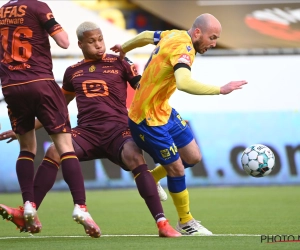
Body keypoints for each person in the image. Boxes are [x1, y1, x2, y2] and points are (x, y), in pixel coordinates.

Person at [0, 21, 180, 237]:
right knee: (53, 151)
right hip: (87, 133)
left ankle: (162, 223)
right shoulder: (72, 72)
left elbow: (144, 90)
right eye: (92, 41)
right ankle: (27, 212)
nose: (99, 45)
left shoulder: (120, 62)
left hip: (118, 131)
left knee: (134, 155)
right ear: (81, 44)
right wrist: (23, 129)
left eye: (100, 40)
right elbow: (57, 108)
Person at [110, 13, 248, 235]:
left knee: (192, 157)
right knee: (176, 169)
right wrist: (220, 90)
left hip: (163, 110)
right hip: (146, 118)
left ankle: (153, 178)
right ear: (197, 33)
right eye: (212, 37)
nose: (214, 43)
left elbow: (146, 35)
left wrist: (124, 48)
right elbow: (183, 82)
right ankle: (185, 221)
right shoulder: (184, 49)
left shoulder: (173, 34)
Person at [0, 0, 100, 237]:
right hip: (41, 83)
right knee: (65, 148)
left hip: (11, 87)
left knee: (26, 149)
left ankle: (28, 205)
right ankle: (81, 207)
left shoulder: (2, 12)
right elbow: (64, 42)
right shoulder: (38, 7)